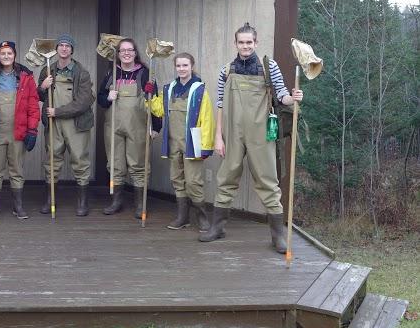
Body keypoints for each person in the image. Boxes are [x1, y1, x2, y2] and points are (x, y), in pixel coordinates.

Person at [199, 23, 303, 253]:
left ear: (256, 43)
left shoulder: (268, 67)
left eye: (249, 42)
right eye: (241, 42)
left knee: (268, 180)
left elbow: (283, 96)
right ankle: (217, 227)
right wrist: (218, 137)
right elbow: (219, 104)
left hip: (261, 133)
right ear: (235, 44)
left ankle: (278, 235)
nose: (245, 46)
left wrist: (294, 97)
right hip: (232, 132)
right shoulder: (226, 70)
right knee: (226, 177)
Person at [149, 52, 215, 231]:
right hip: (173, 142)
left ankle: (201, 216)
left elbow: (207, 119)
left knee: (193, 182)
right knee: (177, 179)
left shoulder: (199, 89)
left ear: (192, 66)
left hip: (192, 143)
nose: (182, 69)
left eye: (185, 65)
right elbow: (159, 111)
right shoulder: (169, 89)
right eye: (178, 66)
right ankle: (182, 217)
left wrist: (206, 146)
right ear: (175, 67)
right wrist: (150, 94)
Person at [97, 38, 161, 218]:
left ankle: (140, 204)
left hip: (138, 127)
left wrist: (156, 126)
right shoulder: (112, 73)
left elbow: (155, 102)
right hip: (113, 126)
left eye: (129, 50)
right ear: (118, 54)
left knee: (138, 164)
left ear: (135, 53)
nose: (126, 53)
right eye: (122, 50)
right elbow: (101, 99)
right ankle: (116, 201)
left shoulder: (144, 73)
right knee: (115, 165)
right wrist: (108, 97)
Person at [0, 41, 40, 220]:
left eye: (9, 53)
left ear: (14, 55)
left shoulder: (25, 77)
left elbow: (33, 105)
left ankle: (18, 206)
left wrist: (32, 129)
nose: (6, 56)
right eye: (3, 53)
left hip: (18, 131)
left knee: (16, 170)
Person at [37, 34, 96, 216]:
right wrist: (42, 87)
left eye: (67, 46)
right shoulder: (47, 70)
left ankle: (82, 202)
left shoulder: (81, 72)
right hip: (53, 124)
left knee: (80, 161)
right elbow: (39, 97)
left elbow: (84, 102)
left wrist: (58, 112)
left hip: (75, 123)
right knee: (52, 161)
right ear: (56, 49)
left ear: (72, 50)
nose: (64, 48)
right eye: (61, 45)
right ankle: (50, 200)